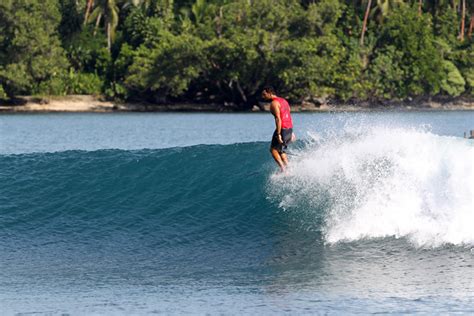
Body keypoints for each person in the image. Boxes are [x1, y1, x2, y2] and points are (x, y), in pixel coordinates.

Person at [262, 87, 295, 172]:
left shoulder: (274, 103)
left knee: (273, 150)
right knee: (281, 150)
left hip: (282, 128)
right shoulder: (284, 101)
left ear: (270, 93)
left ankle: (283, 169)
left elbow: (278, 118)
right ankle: (288, 167)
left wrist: (279, 134)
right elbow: (288, 115)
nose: (263, 96)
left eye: (264, 94)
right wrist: (292, 131)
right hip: (289, 128)